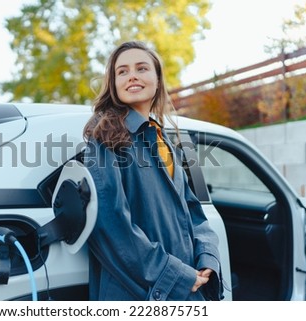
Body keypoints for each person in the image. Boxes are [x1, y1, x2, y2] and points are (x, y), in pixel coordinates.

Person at [82, 41, 224, 301]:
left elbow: (192, 209)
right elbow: (110, 224)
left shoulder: (162, 137)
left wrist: (207, 257)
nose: (132, 75)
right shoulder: (105, 135)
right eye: (122, 71)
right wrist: (175, 274)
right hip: (141, 290)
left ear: (157, 80)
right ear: (113, 85)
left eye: (142, 68)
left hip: (186, 285)